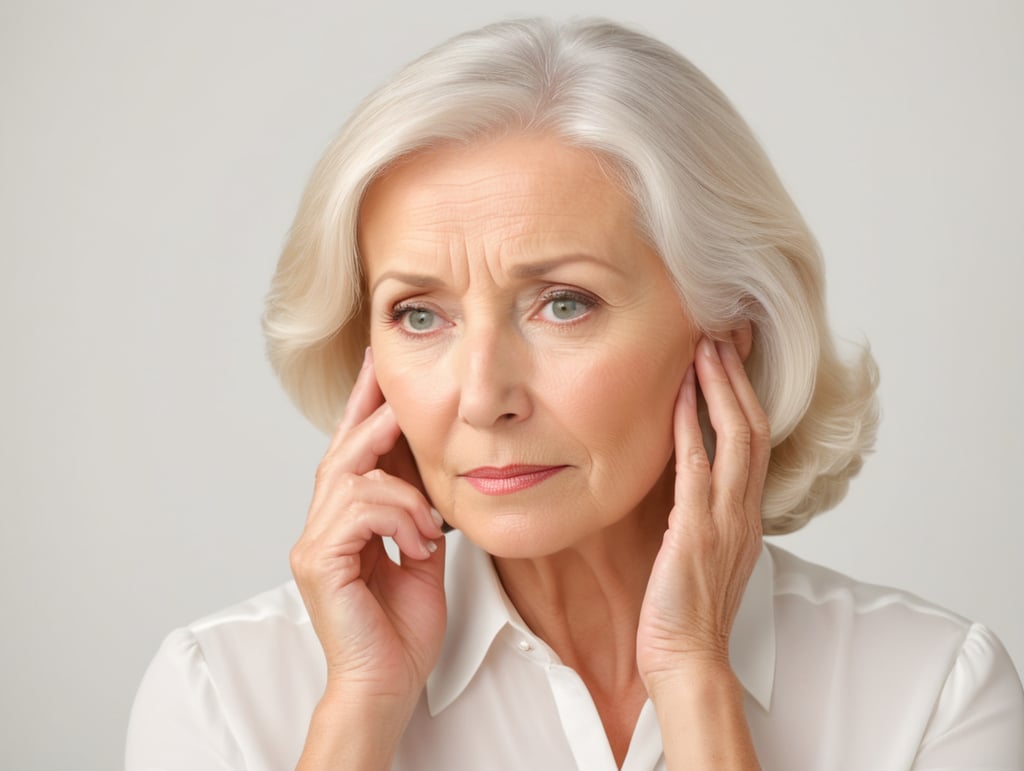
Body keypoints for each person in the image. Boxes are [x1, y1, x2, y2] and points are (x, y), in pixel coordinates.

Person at [125, 17, 1024, 771]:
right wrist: (359, 713)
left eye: (564, 303)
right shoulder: (224, 690)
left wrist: (699, 678)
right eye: (419, 315)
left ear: (723, 335)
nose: (481, 397)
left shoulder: (930, 693)